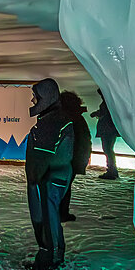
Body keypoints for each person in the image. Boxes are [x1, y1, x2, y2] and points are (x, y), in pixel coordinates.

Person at [25, 78, 74, 270]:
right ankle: (51, 255)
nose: (33, 102)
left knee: (46, 218)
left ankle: (49, 259)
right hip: (52, 178)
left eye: (36, 98)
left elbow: (43, 156)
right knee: (48, 217)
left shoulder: (52, 123)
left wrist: (34, 177)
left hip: (47, 180)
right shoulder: (56, 119)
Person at [58, 90, 93, 222]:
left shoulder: (66, 119)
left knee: (62, 187)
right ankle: (61, 212)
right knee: (65, 187)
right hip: (72, 159)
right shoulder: (77, 118)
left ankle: (60, 213)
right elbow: (85, 141)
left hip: (66, 159)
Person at [91, 89, 120, 180]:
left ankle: (111, 171)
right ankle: (112, 170)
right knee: (109, 150)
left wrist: (97, 113)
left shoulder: (108, 103)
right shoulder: (110, 102)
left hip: (107, 130)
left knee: (108, 150)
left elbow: (106, 113)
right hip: (110, 130)